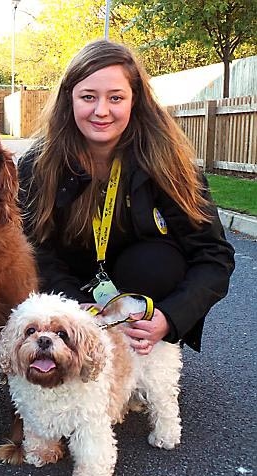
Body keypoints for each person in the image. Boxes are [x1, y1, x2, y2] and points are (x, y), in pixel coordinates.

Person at [18, 39, 235, 356]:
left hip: (136, 285)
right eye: (88, 97)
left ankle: (141, 357)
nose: (101, 111)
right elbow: (33, 249)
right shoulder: (39, 164)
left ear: (135, 101)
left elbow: (214, 255)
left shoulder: (168, 164)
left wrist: (170, 317)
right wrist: (73, 305)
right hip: (70, 288)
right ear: (70, 99)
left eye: (115, 97)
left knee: (157, 264)